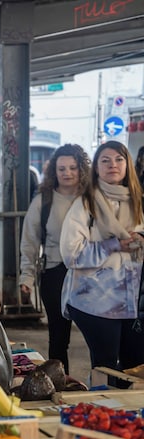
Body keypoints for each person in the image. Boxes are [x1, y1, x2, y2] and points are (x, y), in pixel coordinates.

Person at [59, 140, 144, 386]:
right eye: (105, 160)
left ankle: (126, 419)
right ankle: (99, 413)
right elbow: (71, 254)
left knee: (134, 367)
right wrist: (114, 244)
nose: (112, 165)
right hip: (94, 301)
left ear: (127, 165)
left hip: (133, 301)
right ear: (96, 168)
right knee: (105, 366)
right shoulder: (85, 204)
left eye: (118, 160)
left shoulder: (138, 202)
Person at [19, 144, 91, 375]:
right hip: (54, 273)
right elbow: (30, 240)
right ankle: (60, 384)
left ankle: (102, 386)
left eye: (73, 167)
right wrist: (26, 276)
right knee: (58, 338)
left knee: (98, 335)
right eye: (62, 168)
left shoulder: (93, 198)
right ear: (54, 171)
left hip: (92, 275)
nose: (67, 173)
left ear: (82, 169)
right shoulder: (44, 200)